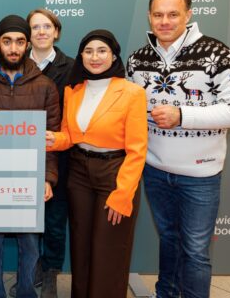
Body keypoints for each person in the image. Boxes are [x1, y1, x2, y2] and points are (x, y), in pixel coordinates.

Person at [127, 0, 230, 298]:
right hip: (154, 170)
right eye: (158, 15)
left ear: (188, 15)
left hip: (200, 174)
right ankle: (166, 294)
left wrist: (183, 116)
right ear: (149, 16)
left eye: (173, 14)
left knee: (196, 249)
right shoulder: (137, 60)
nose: (165, 21)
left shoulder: (217, 53)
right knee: (169, 240)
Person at [46, 29, 147, 298]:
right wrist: (50, 139)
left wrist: (123, 193)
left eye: (102, 51)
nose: (95, 57)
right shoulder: (73, 90)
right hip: (79, 172)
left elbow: (137, 150)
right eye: (88, 51)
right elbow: (69, 135)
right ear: (81, 56)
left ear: (113, 55)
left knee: (109, 247)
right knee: (81, 245)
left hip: (115, 172)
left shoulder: (132, 93)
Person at [0, 14, 60, 298]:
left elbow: (52, 137)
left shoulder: (45, 86)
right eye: (7, 41)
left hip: (30, 177)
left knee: (30, 245)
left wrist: (47, 178)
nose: (13, 48)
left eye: (19, 42)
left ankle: (26, 292)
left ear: (27, 45)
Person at [25, 8, 74, 298]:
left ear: (56, 32)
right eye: (35, 27)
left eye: (47, 26)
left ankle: (51, 272)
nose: (41, 32)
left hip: (60, 155)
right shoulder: (15, 63)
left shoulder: (73, 68)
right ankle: (31, 269)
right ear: (28, 34)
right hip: (23, 155)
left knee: (55, 221)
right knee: (27, 218)